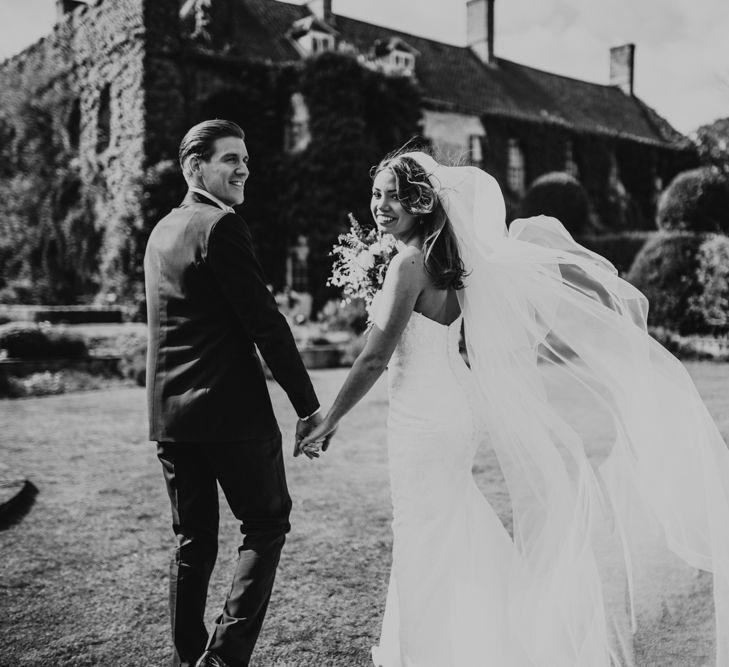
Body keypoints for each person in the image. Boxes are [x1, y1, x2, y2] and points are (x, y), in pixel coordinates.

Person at [300, 149, 729, 665]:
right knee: (450, 521)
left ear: (420, 201)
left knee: (422, 530)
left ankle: (430, 650)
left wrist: (329, 418)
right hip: (453, 409)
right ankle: (479, 638)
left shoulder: (407, 264)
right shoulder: (450, 261)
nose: (382, 205)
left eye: (395, 195)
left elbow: (374, 358)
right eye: (377, 193)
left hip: (424, 418)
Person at [144, 119, 328, 667]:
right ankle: (223, 658)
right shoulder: (220, 226)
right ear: (194, 166)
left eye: (245, 158)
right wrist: (309, 407)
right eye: (230, 158)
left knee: (192, 540)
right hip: (231, 414)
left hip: (170, 417)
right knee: (267, 523)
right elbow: (266, 324)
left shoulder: (161, 230)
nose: (244, 167)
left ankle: (187, 656)